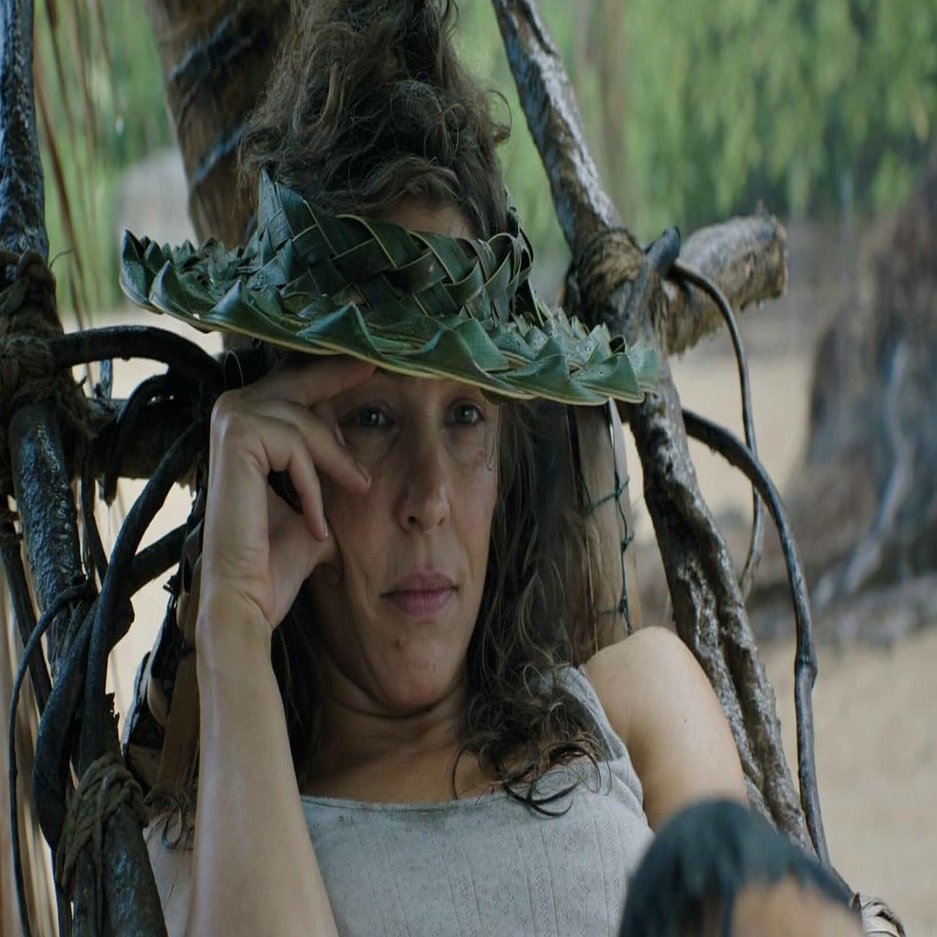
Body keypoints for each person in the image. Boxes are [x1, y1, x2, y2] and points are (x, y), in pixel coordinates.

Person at [125, 2, 861, 934]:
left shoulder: (634, 706)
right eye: (371, 418)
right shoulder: (222, 830)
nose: (429, 497)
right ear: (281, 461)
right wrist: (231, 617)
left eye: (465, 415)